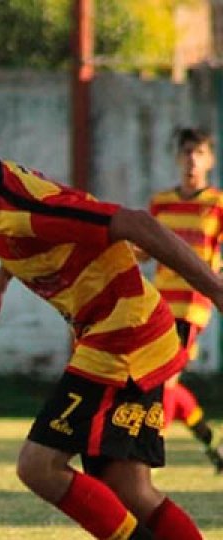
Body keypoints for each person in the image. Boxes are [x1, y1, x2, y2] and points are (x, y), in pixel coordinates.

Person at [0, 97, 219, 540]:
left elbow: (137, 224)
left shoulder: (24, 207)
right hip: (135, 333)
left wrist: (216, 290)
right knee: (129, 489)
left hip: (122, 336)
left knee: (39, 466)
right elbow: (28, 235)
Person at [145, 127, 223, 472]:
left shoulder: (217, 204)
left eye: (199, 152)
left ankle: (146, 449)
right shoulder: (162, 202)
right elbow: (145, 248)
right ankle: (212, 440)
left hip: (192, 305)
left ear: (210, 160)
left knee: (164, 379)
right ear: (178, 157)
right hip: (158, 303)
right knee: (160, 380)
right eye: (187, 152)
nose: (192, 159)